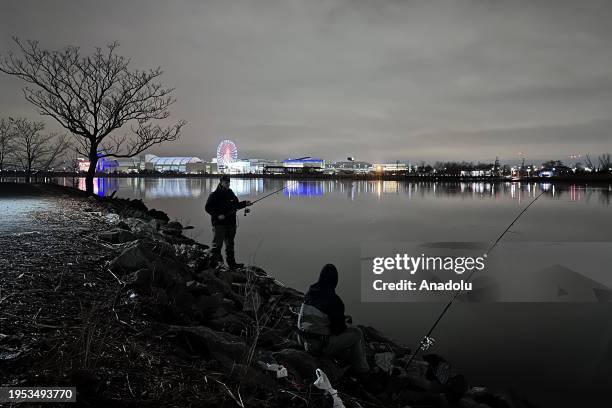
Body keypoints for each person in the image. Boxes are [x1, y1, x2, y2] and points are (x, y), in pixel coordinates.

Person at [296, 264, 370, 374]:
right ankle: (362, 369)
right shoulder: (334, 301)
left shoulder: (310, 293)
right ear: (335, 281)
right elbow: (337, 330)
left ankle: (343, 355)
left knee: (340, 322)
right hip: (317, 346)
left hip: (301, 339)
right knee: (357, 332)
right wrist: (345, 324)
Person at [205, 175, 252, 268]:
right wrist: (218, 215)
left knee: (230, 244)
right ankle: (212, 265)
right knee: (217, 245)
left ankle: (232, 264)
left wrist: (245, 203)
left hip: (231, 224)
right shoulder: (214, 195)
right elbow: (207, 208)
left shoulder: (231, 193)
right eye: (226, 182)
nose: (228, 184)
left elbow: (236, 205)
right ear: (221, 182)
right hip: (219, 225)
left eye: (229, 182)